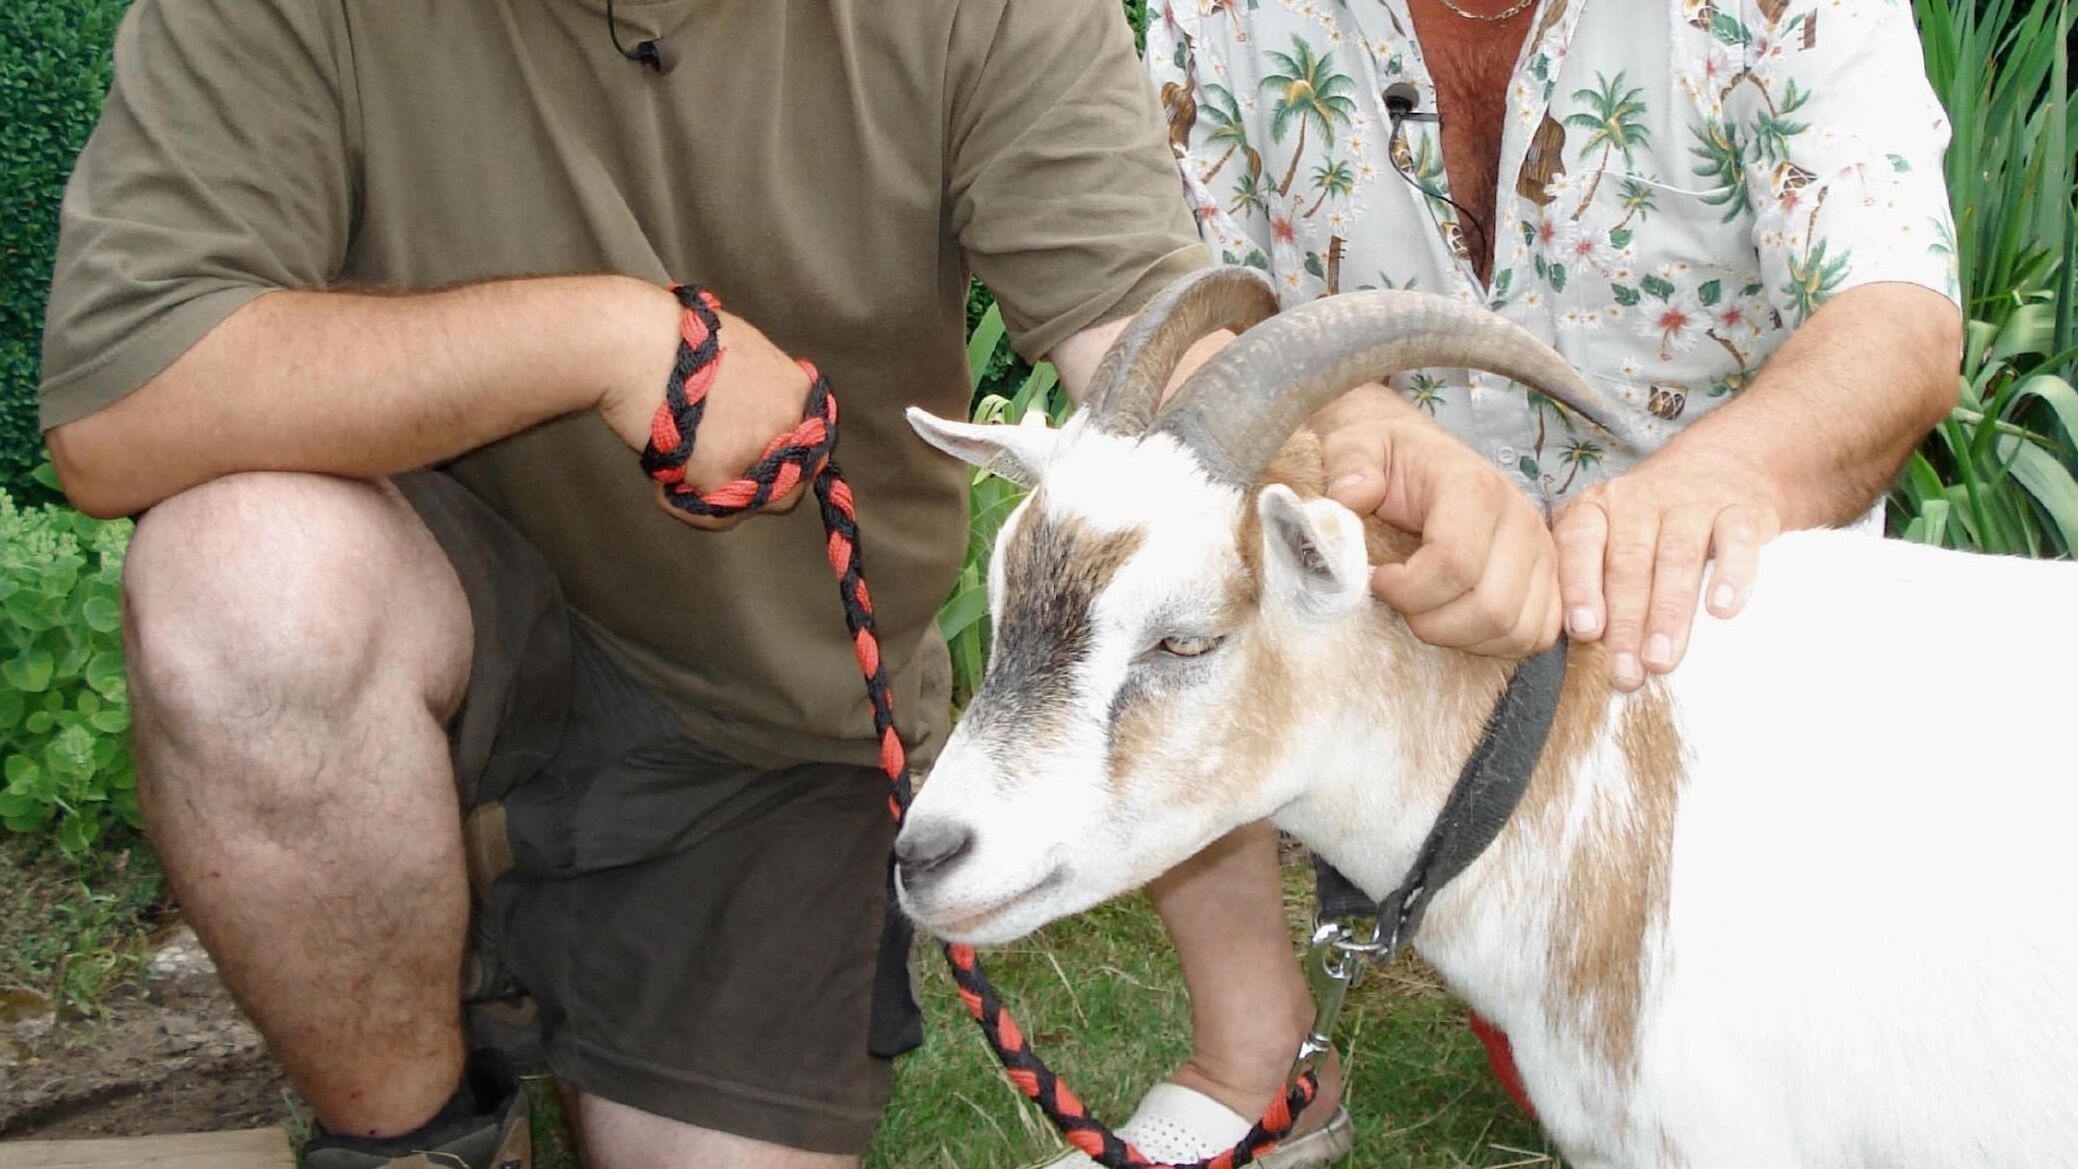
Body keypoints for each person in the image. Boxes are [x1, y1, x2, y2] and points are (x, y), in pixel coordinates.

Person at [35, 0, 1627, 1166]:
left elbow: (1136, 333)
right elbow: (118, 398)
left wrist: (1354, 435)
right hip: (433, 629)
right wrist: (604, 339)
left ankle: (561, 999)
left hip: (771, 723)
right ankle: (410, 1139)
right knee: (246, 583)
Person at [1049, 0, 1964, 1164]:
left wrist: (1710, 480)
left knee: (1710, 1068)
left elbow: (1895, 320)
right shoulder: (1213, 13)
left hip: (1702, 663)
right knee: (1177, 524)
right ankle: (1249, 1052)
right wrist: (1353, 438)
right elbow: (1178, 310)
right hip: (1397, 634)